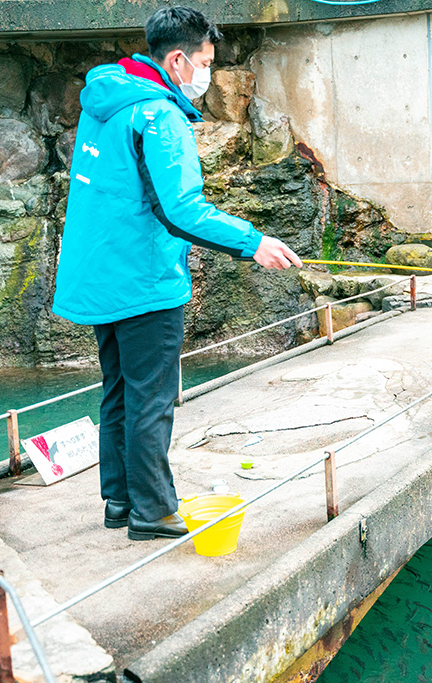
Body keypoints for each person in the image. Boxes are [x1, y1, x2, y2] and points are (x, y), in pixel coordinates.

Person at [53, 7, 301, 540]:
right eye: (207, 63)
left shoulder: (107, 98)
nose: (208, 75)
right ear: (180, 59)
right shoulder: (158, 115)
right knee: (152, 400)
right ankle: (154, 512)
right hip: (144, 282)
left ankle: (120, 501)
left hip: (102, 278)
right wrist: (253, 243)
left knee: (119, 392)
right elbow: (181, 210)